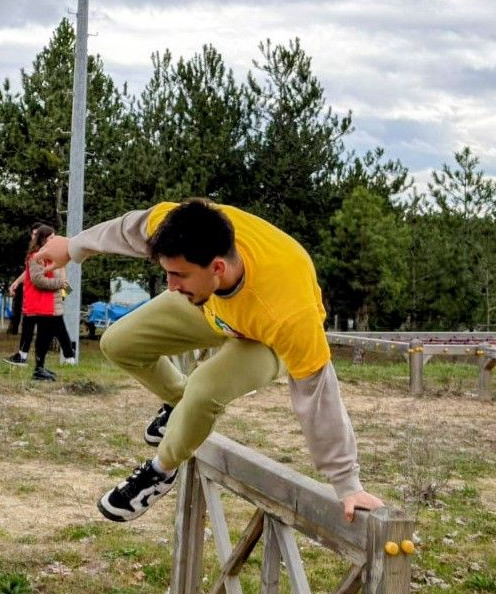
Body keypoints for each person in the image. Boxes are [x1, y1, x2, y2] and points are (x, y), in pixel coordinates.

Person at [35, 198, 383, 524]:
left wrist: (347, 484)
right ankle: (177, 402)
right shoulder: (182, 226)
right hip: (213, 306)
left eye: (179, 275)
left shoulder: (288, 315)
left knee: (203, 388)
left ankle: (160, 472)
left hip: (263, 339)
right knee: (118, 342)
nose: (170, 285)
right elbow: (128, 229)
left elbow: (319, 397)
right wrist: (72, 247)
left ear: (217, 267)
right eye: (167, 272)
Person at [5, 226, 73, 380]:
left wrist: (65, 290)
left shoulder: (51, 257)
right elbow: (38, 279)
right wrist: (61, 285)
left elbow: (62, 279)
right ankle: (61, 360)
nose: (53, 241)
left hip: (50, 303)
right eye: (50, 238)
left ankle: (40, 366)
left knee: (47, 335)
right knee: (45, 333)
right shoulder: (36, 257)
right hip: (40, 303)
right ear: (42, 239)